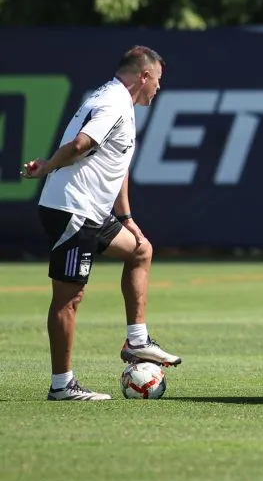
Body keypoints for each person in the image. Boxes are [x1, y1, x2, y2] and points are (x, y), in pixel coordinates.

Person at [22, 46, 181, 401]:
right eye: (157, 80)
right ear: (143, 75)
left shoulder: (117, 101)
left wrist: (126, 218)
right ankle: (62, 385)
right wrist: (47, 167)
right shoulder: (113, 103)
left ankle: (137, 341)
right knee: (69, 298)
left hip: (91, 212)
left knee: (140, 251)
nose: (158, 87)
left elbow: (117, 166)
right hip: (73, 210)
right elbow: (81, 144)